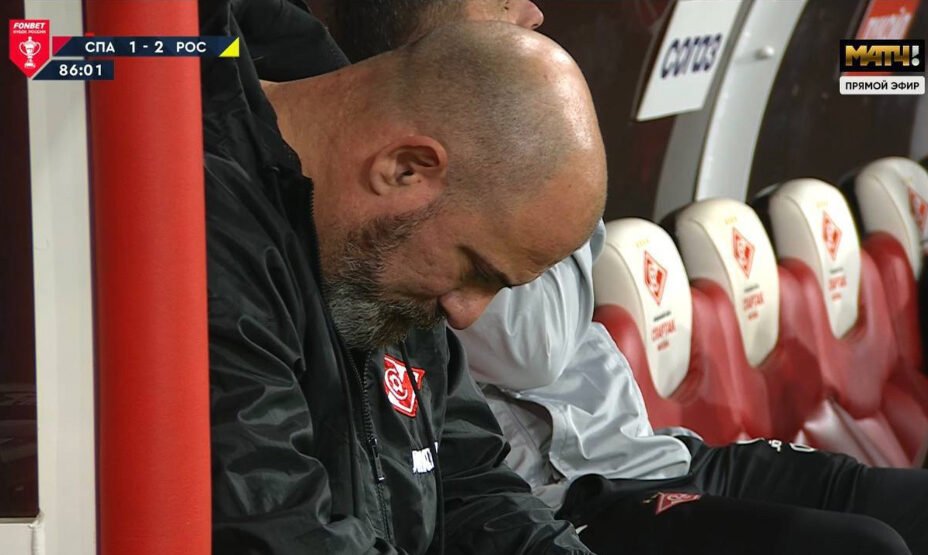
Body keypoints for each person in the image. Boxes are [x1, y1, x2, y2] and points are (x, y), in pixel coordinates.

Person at [332, 2, 928, 554]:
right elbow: (532, 350)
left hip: (661, 454)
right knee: (865, 546)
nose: (533, 13)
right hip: (583, 493)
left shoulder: (524, 145)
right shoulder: (402, 211)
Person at [200, 0, 607, 553]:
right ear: (405, 168)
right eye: (475, 270)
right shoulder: (209, 231)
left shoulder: (382, 261)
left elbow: (471, 487)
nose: (465, 314)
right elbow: (277, 530)